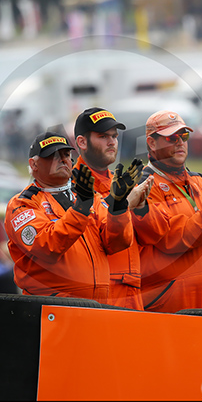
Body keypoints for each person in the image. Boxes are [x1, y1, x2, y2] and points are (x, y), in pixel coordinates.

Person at [131, 110, 202, 313]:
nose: (179, 142)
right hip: (173, 306)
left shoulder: (201, 182)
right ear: (151, 143)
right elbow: (174, 239)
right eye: (171, 137)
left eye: (183, 136)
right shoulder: (144, 187)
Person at [4, 131, 140, 302]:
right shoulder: (22, 204)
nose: (62, 159)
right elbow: (47, 246)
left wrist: (119, 208)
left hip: (99, 305)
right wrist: (80, 209)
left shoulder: (89, 196)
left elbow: (116, 243)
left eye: (66, 154)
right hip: (52, 308)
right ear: (34, 164)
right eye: (53, 156)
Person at [73, 107, 154, 310]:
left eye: (114, 136)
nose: (112, 142)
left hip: (133, 289)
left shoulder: (120, 182)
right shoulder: (73, 185)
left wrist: (142, 208)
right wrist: (123, 205)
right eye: (103, 136)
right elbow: (93, 238)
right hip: (101, 293)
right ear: (82, 142)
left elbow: (150, 239)